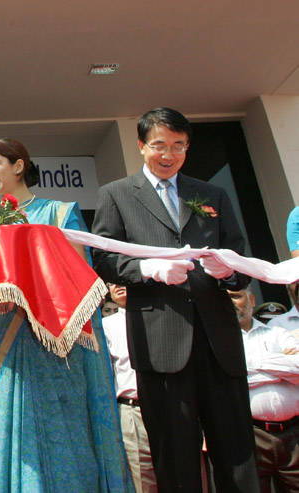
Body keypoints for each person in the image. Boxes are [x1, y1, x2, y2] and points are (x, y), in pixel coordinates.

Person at [92, 107, 259, 491]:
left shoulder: (211, 193)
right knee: (176, 458)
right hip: (161, 341)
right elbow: (104, 260)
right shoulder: (116, 194)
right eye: (160, 145)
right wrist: (147, 270)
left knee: (237, 455)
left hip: (219, 342)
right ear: (141, 146)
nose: (169, 155)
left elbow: (239, 256)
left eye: (179, 146)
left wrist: (228, 271)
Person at [0, 137, 129, 491]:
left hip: (57, 348)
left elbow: (78, 277)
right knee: (9, 431)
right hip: (3, 345)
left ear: (19, 166)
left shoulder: (58, 212)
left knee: (65, 436)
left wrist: (29, 290)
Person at [230, 288, 299, 492]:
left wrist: (247, 367)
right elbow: (229, 378)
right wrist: (281, 367)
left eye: (236, 296)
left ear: (251, 299)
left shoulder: (278, 332)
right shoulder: (218, 343)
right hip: (250, 436)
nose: (231, 303)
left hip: (294, 436)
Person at [104, 283, 157, 493]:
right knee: (143, 482)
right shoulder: (106, 326)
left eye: (122, 280)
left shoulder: (160, 317)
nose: (117, 286)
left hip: (169, 404)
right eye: (111, 283)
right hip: (132, 411)